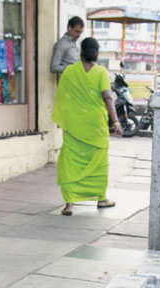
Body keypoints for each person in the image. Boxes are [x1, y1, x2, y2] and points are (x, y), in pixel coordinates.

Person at [53, 38, 122, 216]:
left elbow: (63, 97)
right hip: (95, 126)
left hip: (74, 125)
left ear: (81, 52)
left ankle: (69, 204)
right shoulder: (101, 72)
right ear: (97, 53)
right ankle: (101, 199)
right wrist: (116, 121)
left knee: (71, 162)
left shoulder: (69, 71)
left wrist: (65, 117)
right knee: (99, 162)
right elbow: (108, 97)